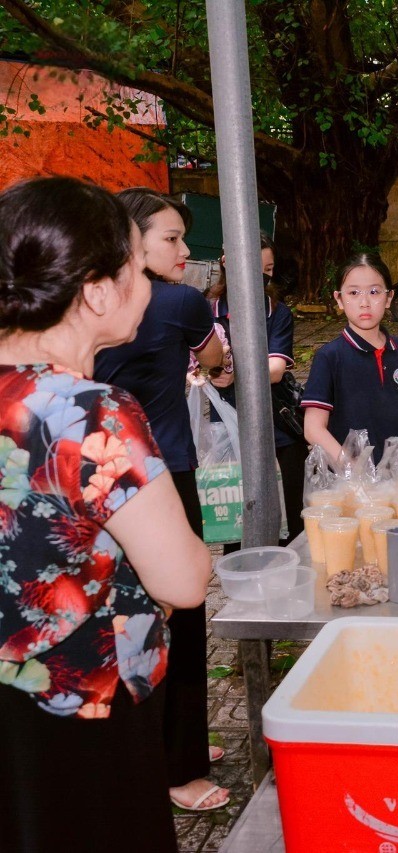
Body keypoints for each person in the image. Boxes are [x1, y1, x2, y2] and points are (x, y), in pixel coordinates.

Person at [0, 176, 212, 851]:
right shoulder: (94, 412)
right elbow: (182, 579)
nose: (148, 284)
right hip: (84, 704)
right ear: (96, 291)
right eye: (136, 267)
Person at [93, 188, 229, 813]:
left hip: (99, 481)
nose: (183, 250)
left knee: (129, 621)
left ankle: (165, 745)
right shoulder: (178, 301)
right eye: (170, 239)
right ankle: (181, 766)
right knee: (184, 610)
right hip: (163, 474)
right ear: (132, 241)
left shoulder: (95, 307)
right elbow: (216, 359)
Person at [207, 233, 305, 543]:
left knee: (289, 521)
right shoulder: (206, 308)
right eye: (253, 266)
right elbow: (193, 362)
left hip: (276, 424)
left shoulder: (276, 311)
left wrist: (235, 373)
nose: (262, 275)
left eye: (269, 268)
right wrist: (210, 372)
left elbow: (275, 370)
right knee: (237, 528)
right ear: (226, 262)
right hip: (227, 430)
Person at [302, 253, 398, 465]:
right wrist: (354, 472)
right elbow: (313, 429)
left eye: (374, 292)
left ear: (389, 298)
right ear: (339, 299)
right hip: (352, 488)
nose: (364, 302)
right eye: (353, 292)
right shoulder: (329, 357)